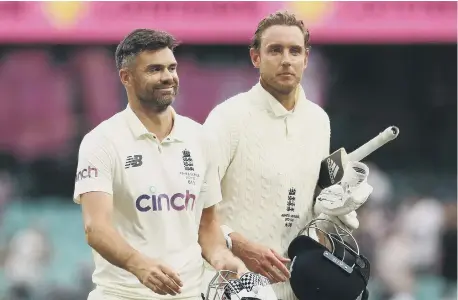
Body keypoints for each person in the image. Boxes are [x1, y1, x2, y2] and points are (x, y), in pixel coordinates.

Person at [203, 11, 371, 300]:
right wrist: (238, 244)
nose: (286, 59)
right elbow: (189, 204)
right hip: (232, 285)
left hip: (297, 288)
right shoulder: (227, 117)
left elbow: (311, 206)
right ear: (256, 58)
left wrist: (336, 210)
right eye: (275, 50)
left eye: (295, 51)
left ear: (306, 58)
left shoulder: (318, 120)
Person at [73, 28, 247, 300]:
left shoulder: (200, 138)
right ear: (126, 77)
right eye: (154, 69)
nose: (167, 76)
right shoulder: (101, 141)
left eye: (171, 67)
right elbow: (96, 228)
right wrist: (138, 265)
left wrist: (222, 257)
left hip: (188, 294)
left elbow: (207, 225)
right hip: (122, 294)